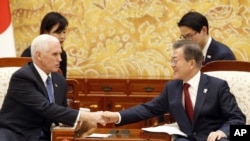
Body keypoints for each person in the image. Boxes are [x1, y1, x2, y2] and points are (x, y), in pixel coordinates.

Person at [102, 40, 246, 141]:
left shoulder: (217, 86)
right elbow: (148, 109)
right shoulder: (172, 88)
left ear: (191, 63)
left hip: (213, 139)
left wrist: (222, 132)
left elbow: (237, 118)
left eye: (175, 60)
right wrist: (117, 116)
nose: (172, 65)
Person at [0, 34, 106, 141]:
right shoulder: (23, 77)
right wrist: (88, 116)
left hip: (50, 136)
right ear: (39, 55)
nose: (60, 59)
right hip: (20, 135)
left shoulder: (59, 80)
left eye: (60, 54)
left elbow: (61, 111)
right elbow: (45, 108)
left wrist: (76, 123)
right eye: (55, 54)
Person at [21, 11, 68, 78]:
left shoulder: (62, 54)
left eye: (64, 32)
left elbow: (62, 81)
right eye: (58, 32)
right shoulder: (29, 53)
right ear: (45, 32)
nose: (63, 36)